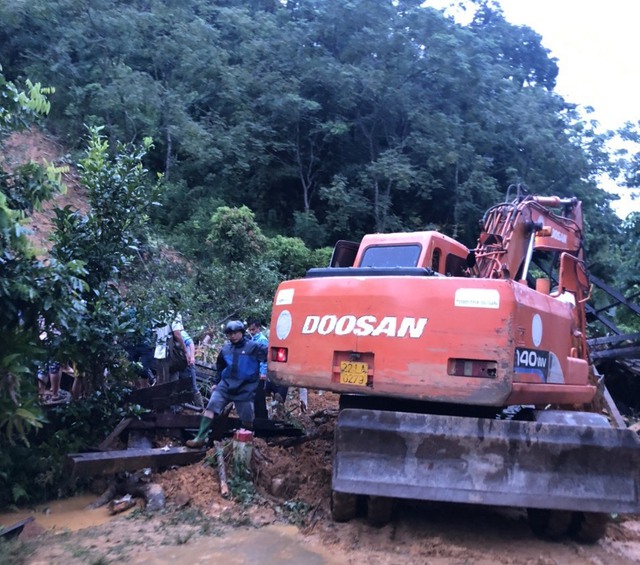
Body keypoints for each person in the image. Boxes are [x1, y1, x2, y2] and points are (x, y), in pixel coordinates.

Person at [186, 320, 268, 448]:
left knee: (247, 418)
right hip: (226, 385)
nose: (232, 336)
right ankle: (200, 438)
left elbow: (271, 355)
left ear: (241, 332)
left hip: (245, 387)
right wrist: (216, 383)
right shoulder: (225, 349)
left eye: (235, 333)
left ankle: (247, 443)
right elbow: (220, 368)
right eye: (230, 334)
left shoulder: (254, 347)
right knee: (211, 407)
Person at [248, 318, 288, 419]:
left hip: (262, 374)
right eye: (250, 330)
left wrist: (263, 373)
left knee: (261, 398)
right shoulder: (253, 340)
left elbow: (265, 359)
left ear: (258, 328)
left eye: (253, 330)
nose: (252, 332)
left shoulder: (262, 340)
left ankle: (267, 417)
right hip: (255, 373)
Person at [153, 311, 188, 384]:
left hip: (158, 351)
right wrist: (185, 350)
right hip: (170, 352)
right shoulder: (174, 314)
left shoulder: (157, 313)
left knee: (161, 380)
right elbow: (177, 334)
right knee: (172, 381)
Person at [179, 329, 205, 409]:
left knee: (193, 387)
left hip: (188, 363)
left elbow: (190, 343)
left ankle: (201, 408)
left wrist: (192, 357)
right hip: (178, 364)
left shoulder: (181, 333)